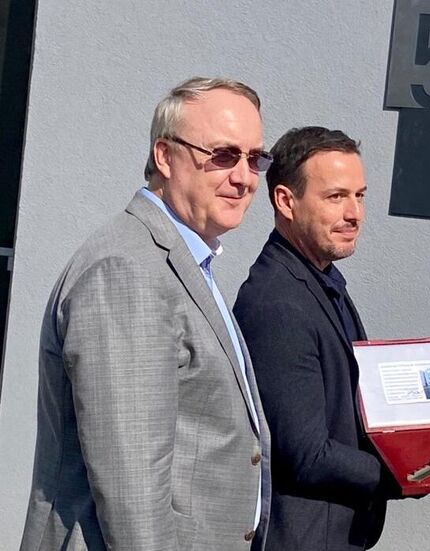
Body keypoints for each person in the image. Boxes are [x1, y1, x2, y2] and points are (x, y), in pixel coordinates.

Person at [21, 77, 272, 550]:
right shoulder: (127, 270)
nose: (244, 177)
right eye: (223, 155)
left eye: (254, 158)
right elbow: (131, 483)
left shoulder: (184, 260)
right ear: (164, 156)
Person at [234, 126, 430, 551]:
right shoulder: (277, 302)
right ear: (285, 201)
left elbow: (356, 404)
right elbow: (305, 455)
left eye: (360, 195)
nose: (354, 213)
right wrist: (420, 469)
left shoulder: (320, 280)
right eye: (336, 197)